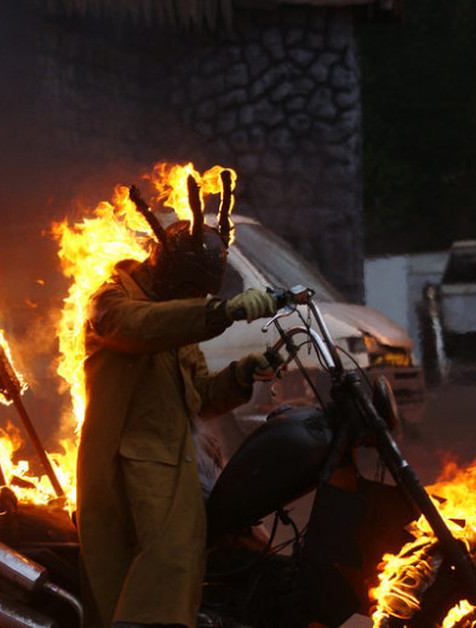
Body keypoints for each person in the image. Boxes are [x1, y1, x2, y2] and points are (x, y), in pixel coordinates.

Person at [76, 176, 278, 628]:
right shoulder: (113, 300)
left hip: (178, 464)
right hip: (130, 475)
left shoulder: (177, 314)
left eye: (201, 296)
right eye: (191, 293)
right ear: (167, 272)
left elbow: (199, 397)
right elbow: (137, 328)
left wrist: (245, 371)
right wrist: (223, 312)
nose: (196, 301)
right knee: (164, 567)